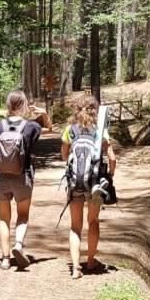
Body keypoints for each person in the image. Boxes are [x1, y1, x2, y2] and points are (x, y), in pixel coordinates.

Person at [0, 90, 41, 271]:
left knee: (4, 219)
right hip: (23, 176)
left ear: (8, 105)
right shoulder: (30, 127)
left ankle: (6, 259)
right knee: (23, 215)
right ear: (24, 105)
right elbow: (49, 130)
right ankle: (19, 245)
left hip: (2, 177)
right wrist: (45, 115)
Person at [61, 96, 117, 279]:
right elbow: (112, 158)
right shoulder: (100, 131)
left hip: (75, 183)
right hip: (95, 184)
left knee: (75, 226)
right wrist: (110, 175)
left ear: (76, 110)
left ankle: (76, 268)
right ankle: (91, 261)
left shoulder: (70, 130)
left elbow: (64, 156)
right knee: (93, 221)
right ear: (95, 111)